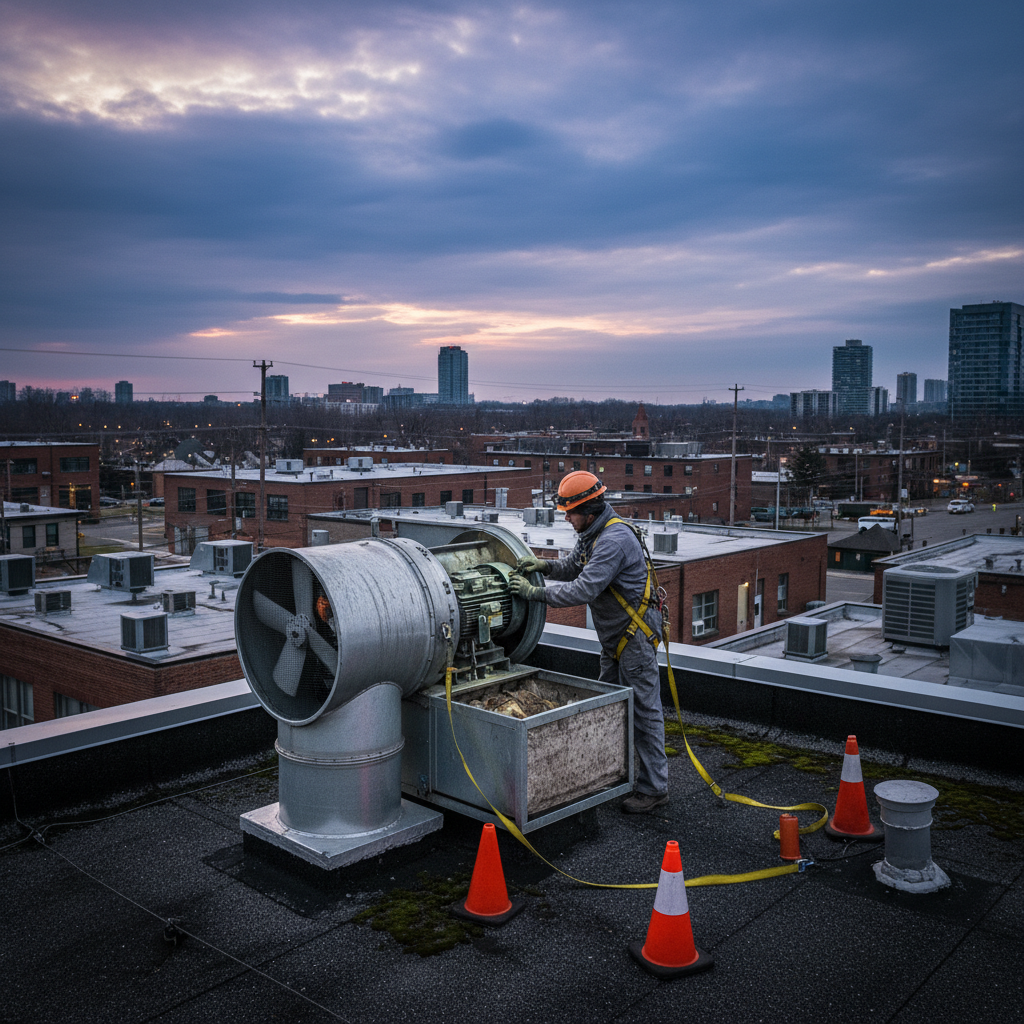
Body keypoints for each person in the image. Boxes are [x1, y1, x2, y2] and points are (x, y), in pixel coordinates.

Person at [508, 471, 669, 813]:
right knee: (606, 706)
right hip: (616, 639)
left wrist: (535, 593)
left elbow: (584, 589)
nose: (567, 519)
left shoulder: (613, 540)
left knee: (644, 712)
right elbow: (574, 566)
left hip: (634, 637)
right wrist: (545, 567)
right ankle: (612, 773)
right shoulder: (591, 533)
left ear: (591, 509)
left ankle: (654, 788)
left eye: (571, 513)